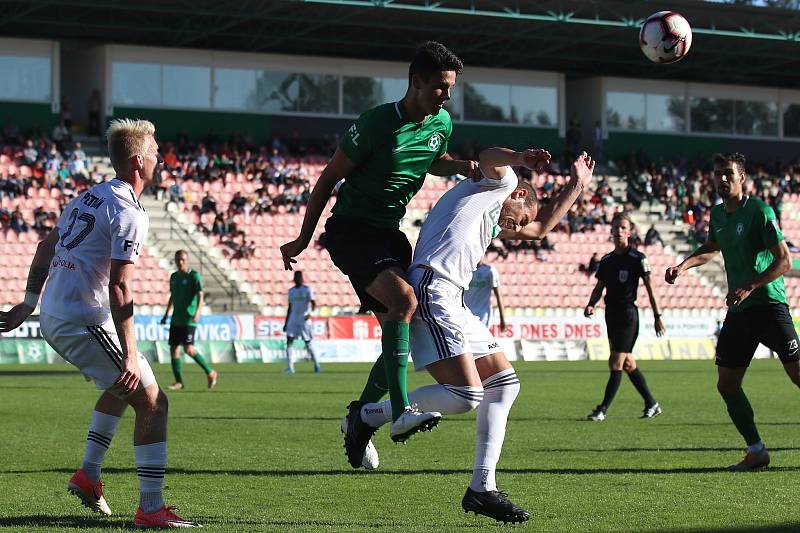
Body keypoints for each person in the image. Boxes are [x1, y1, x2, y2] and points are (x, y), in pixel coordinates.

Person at [346, 147, 595, 523]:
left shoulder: (492, 218)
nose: (512, 228)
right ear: (519, 194)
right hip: (433, 288)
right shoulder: (500, 184)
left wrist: (576, 186)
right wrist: (523, 158)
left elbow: (541, 227)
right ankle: (368, 415)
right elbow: (489, 155)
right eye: (517, 220)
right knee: (466, 396)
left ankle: (482, 488)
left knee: (505, 384)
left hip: (453, 298)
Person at [0, 119, 200, 528]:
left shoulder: (87, 197)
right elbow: (120, 288)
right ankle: (150, 508)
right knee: (153, 401)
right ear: (139, 161)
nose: (161, 156)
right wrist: (128, 353)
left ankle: (88, 476)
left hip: (60, 313)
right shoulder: (128, 210)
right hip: (82, 318)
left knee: (123, 388)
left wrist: (28, 303)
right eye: (156, 150)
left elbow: (44, 247)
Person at [280, 41, 478, 451]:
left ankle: (361, 417)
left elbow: (434, 159)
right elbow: (327, 179)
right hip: (351, 230)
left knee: (401, 328)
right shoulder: (374, 124)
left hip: (390, 234)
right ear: (416, 82)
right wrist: (302, 237)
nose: (446, 96)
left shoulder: (441, 124)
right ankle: (402, 411)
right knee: (404, 302)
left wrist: (460, 166)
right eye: (440, 87)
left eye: (451, 88)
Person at [665, 153, 798, 471]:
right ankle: (756, 451)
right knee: (727, 385)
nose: (721, 179)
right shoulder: (718, 215)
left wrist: (750, 285)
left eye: (727, 174)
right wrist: (683, 265)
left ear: (742, 179)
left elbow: (784, 261)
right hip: (740, 312)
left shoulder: (759, 211)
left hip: (769, 305)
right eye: (717, 175)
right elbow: (712, 247)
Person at [584, 212, 665, 421]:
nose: (619, 231)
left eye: (623, 228)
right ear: (611, 231)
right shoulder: (607, 260)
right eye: (615, 228)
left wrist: (657, 315)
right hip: (611, 314)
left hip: (629, 315)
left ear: (629, 232)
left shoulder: (638, 259)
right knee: (628, 363)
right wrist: (591, 304)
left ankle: (602, 409)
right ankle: (652, 403)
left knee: (615, 362)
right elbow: (599, 286)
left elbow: (651, 288)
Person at [160, 250, 217, 391]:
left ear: (187, 260)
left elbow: (200, 294)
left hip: (189, 318)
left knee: (188, 349)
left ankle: (210, 372)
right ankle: (178, 382)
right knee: (173, 348)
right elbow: (172, 296)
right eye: (178, 259)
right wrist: (166, 315)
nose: (180, 262)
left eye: (183, 259)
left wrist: (198, 312)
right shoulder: (173, 277)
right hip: (176, 318)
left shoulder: (194, 276)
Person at [283, 271, 320, 374]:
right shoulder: (291, 291)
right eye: (295, 277)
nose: (297, 279)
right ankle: (290, 367)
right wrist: (286, 322)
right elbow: (290, 307)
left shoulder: (307, 290)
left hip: (304, 319)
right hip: (293, 319)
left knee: (308, 342)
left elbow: (313, 303)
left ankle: (317, 364)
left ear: (301, 278)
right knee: (289, 341)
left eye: (298, 277)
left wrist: (311, 313)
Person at [464, 261, 506, 332]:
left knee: (479, 340)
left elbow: (499, 296)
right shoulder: (465, 270)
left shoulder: (490, 271)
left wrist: (502, 320)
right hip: (466, 315)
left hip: (483, 315)